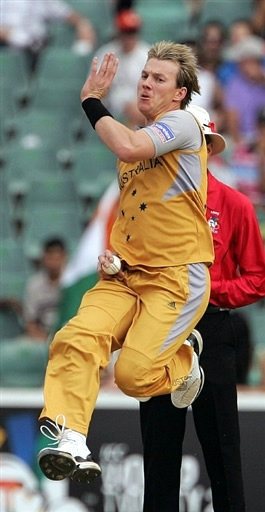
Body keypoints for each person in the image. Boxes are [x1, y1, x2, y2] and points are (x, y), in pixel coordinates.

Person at [37, 41, 214, 485]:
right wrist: (116, 250)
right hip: (126, 276)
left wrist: (91, 102)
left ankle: (185, 361)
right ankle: (72, 438)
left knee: (134, 377)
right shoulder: (135, 142)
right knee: (76, 337)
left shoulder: (185, 124)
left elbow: (133, 146)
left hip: (175, 279)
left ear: (179, 93)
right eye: (144, 76)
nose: (147, 84)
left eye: (159, 78)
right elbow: (137, 211)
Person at [139, 105, 265, 512]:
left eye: (196, 145)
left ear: (208, 149)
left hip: (210, 329)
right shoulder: (149, 202)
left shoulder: (235, 205)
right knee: (159, 456)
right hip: (159, 329)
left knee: (223, 453)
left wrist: (210, 291)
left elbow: (258, 278)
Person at [0, 0, 96, 73]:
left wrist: (83, 25)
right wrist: (8, 34)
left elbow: (69, 14)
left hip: (34, 51)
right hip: (4, 47)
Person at [92, 8, 150, 127]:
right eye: (126, 32)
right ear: (119, 32)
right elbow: (93, 87)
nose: (129, 37)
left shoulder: (148, 54)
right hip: (110, 106)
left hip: (139, 106)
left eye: (132, 32)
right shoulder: (106, 53)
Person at [23, 237, 68, 342]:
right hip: (41, 336)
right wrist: (46, 340)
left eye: (56, 258)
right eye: (49, 258)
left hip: (69, 335)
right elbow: (30, 323)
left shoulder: (74, 282)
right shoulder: (34, 284)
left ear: (64, 257)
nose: (52, 263)